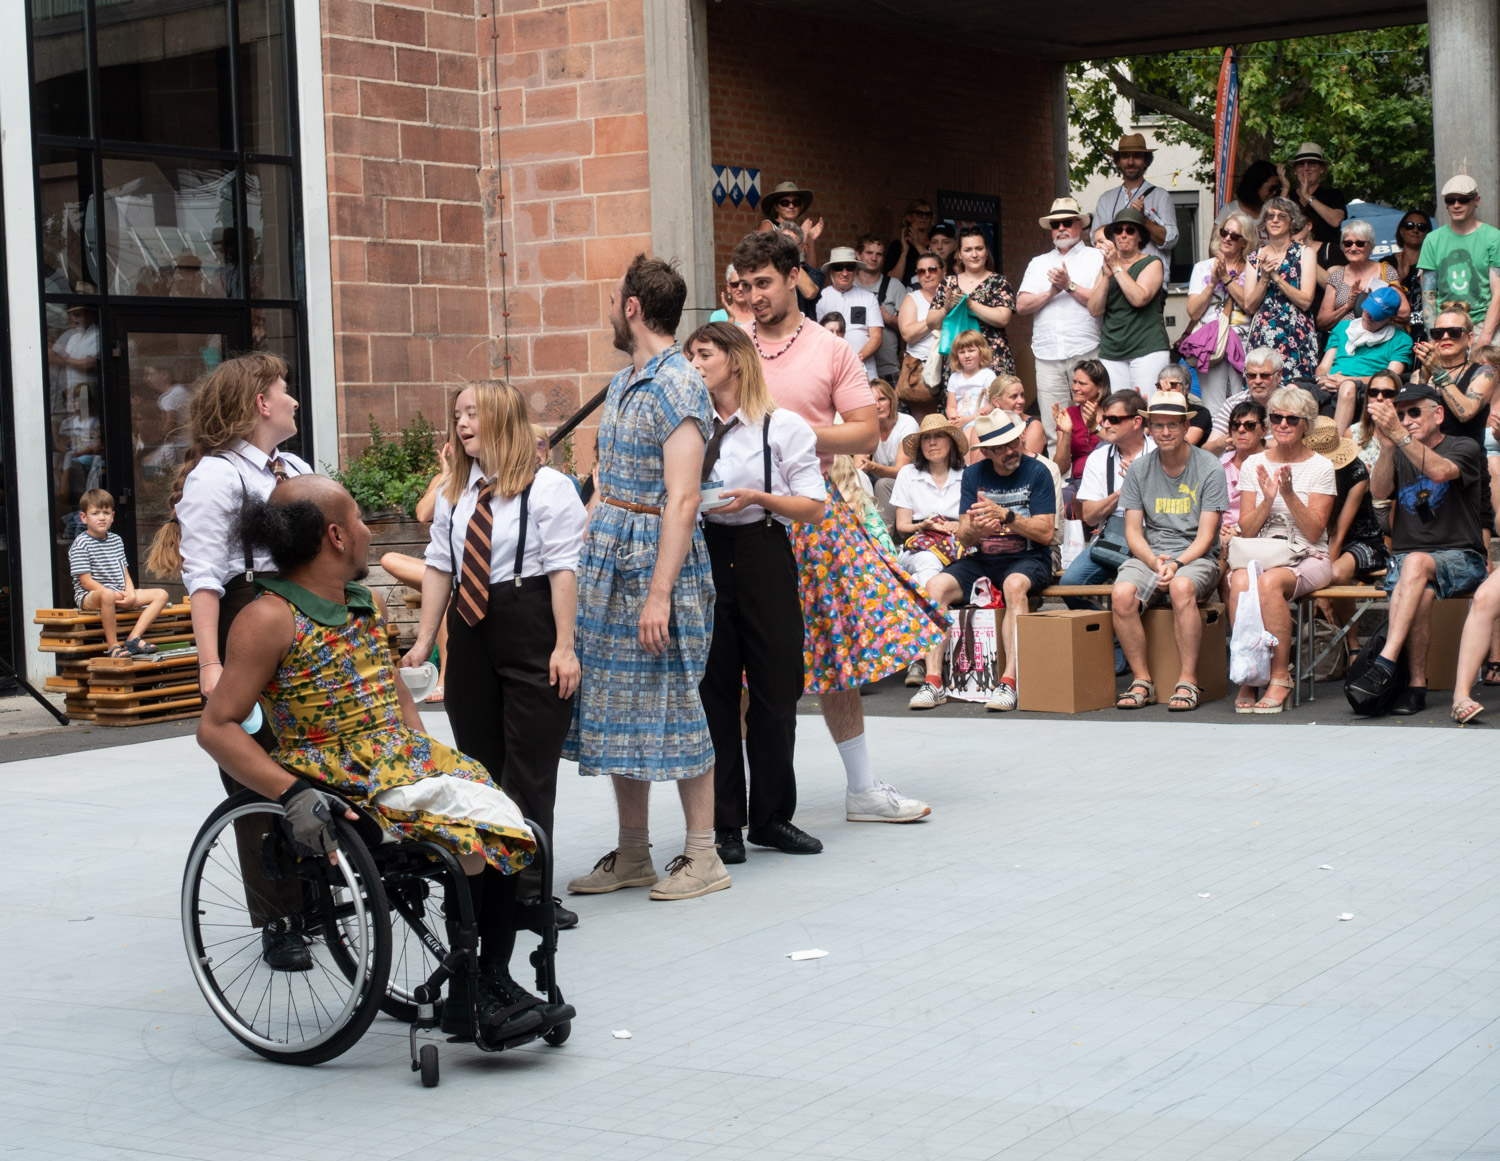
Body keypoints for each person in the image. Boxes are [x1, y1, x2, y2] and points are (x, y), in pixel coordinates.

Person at [197, 475, 570, 1044]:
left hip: (396, 758)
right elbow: (216, 726)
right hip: (337, 774)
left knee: (509, 823)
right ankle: (477, 989)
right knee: (478, 834)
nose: (368, 530)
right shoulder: (267, 618)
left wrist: (425, 753)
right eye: (359, 518)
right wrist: (290, 794)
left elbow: (392, 691)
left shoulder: (362, 603)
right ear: (336, 536)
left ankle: (487, 981)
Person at [731, 229, 943, 821]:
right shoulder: (732, 345)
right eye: (745, 285)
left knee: (834, 651)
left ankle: (862, 789)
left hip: (811, 511)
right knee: (742, 661)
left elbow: (865, 431)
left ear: (793, 277)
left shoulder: (830, 349)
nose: (754, 295)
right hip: (740, 515)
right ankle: (745, 801)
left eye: (764, 283)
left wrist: (792, 434)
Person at [563, 255, 725, 901]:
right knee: (612, 704)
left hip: (659, 561)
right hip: (609, 554)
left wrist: (659, 595)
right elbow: (606, 482)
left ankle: (704, 855)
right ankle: (634, 852)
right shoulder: (626, 381)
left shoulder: (679, 384)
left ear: (632, 308)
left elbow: (682, 499)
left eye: (612, 300)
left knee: (678, 702)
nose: (609, 310)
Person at [144, 351, 312, 969]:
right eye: (284, 389)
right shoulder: (217, 476)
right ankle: (279, 919)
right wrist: (210, 665)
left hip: (301, 616)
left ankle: (320, 893)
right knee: (252, 769)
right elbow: (204, 579)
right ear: (261, 404)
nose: (294, 398)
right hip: (247, 616)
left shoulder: (294, 467)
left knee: (310, 755)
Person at [400, 380, 586, 927]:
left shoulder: (549, 487)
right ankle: (486, 890)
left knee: (529, 769)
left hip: (531, 622)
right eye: (457, 414)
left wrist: (565, 646)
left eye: (473, 413)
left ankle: (528, 895)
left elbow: (563, 570)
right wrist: (423, 640)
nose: (461, 423)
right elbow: (440, 565)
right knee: (478, 765)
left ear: (502, 419)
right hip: (471, 627)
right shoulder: (456, 491)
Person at [685, 322, 827, 864]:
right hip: (707, 553)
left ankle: (771, 817)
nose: (695, 364)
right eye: (691, 355)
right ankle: (723, 823)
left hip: (764, 549)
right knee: (715, 692)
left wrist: (759, 497)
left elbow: (813, 507)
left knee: (776, 690)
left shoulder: (781, 426)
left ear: (737, 360)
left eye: (705, 354)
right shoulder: (690, 429)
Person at [1347, 383, 1487, 716]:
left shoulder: (1464, 446)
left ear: (1438, 414)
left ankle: (1384, 663)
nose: (1406, 420)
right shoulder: (1399, 450)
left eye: (1413, 412)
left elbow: (1439, 472)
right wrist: (1386, 448)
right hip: (1410, 563)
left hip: (1462, 557)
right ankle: (1416, 687)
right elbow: (1380, 491)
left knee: (1415, 563)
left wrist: (1400, 436)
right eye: (1400, 415)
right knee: (1419, 588)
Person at [908, 411, 1055, 712]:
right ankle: (934, 681)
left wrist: (1006, 516)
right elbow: (964, 537)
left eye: (1013, 443)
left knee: (1014, 585)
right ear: (986, 452)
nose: (1010, 451)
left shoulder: (1038, 472)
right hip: (983, 558)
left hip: (1029, 557)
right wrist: (976, 530)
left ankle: (1009, 682)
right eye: (1000, 448)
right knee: (934, 587)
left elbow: (1045, 533)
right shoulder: (973, 475)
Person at [1112, 390, 1230, 712]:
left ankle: (1188, 680)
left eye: (1172, 425)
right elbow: (1132, 532)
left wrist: (1176, 563)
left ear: (1185, 426)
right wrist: (1153, 560)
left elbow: (1207, 536)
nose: (1165, 432)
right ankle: (1142, 680)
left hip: (1195, 556)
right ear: (1148, 428)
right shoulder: (1139, 469)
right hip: (1153, 554)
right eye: (1158, 425)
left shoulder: (1209, 467)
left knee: (1180, 587)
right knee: (1121, 594)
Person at [1226, 387, 1336, 713]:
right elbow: (1247, 529)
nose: (1283, 424)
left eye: (1292, 419)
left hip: (1309, 555)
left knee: (1269, 582)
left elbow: (1315, 532)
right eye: (1276, 417)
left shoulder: (1321, 467)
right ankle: (1250, 670)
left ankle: (1279, 675)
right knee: (1240, 581)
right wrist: (1269, 499)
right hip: (1263, 552)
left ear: (1306, 424)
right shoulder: (1254, 463)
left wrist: (1288, 495)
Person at [1016, 197, 1103, 450]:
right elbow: (1021, 306)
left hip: (1085, 350)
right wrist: (1051, 292)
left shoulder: (1096, 257)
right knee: (1055, 426)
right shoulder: (1038, 262)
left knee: (1091, 422)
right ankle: (1061, 474)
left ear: (1080, 225)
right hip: (1047, 355)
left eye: (1067, 222)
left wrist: (1068, 285)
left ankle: (1089, 471)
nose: (1061, 228)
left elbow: (1100, 303)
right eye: (1056, 224)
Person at [1056, 390, 1154, 608]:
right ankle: (1108, 628)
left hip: (1152, 537)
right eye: (1105, 418)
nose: (1105, 424)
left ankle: (1125, 625)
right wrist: (1122, 492)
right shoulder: (1098, 458)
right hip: (1112, 538)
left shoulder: (1158, 454)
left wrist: (1142, 486)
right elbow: (1090, 517)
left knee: (1152, 591)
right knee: (1070, 585)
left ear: (1136, 422)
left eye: (1114, 419)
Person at [379, 445, 453, 702]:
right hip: (440, 566)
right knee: (388, 558)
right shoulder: (444, 479)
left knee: (445, 597)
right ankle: (442, 590)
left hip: (464, 569)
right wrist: (444, 476)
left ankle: (445, 678)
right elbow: (422, 513)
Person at [1308, 416, 1387, 656]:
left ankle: (1353, 645)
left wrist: (1320, 587)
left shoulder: (1356, 472)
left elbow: (1338, 533)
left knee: (1336, 573)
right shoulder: (1305, 468)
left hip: (1361, 539)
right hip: (1316, 540)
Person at [69, 487, 170, 657]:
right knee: (107, 594)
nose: (102, 517)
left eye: (106, 513)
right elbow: (86, 582)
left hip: (119, 593)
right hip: (91, 595)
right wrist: (113, 595)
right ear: (83, 517)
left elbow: (125, 573)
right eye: (95, 513)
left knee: (161, 594)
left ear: (113, 516)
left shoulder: (116, 540)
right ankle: (113, 646)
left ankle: (134, 638)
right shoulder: (81, 544)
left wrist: (130, 594)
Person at [1089, 207, 1169, 395]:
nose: (1123, 235)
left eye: (1130, 230)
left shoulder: (1152, 262)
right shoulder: (1106, 267)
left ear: (1140, 236)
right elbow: (1094, 309)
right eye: (1118, 230)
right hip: (1112, 351)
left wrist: (1117, 268)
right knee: (1117, 408)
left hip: (1147, 348)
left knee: (1146, 406)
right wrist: (1107, 276)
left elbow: (1139, 298)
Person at [1185, 209, 1257, 413]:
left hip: (1245, 343)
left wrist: (1226, 278)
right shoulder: (1202, 267)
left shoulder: (1253, 269)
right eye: (1225, 232)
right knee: (1213, 407)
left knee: (1245, 404)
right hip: (1211, 344)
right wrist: (1212, 283)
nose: (1227, 238)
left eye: (1234, 236)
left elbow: (1249, 305)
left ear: (1244, 242)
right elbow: (1193, 312)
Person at [1419, 174, 1500, 347]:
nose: (1456, 205)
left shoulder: (1494, 237)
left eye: (1463, 200)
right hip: (1445, 326)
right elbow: (1428, 295)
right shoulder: (1433, 240)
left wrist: (1486, 337)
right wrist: (1434, 335)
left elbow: (1498, 292)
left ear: (1476, 200)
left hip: (1484, 323)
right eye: (1451, 200)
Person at [1244, 199, 1320, 380]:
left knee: (1296, 389)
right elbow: (1249, 306)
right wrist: (1264, 278)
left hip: (1296, 335)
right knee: (1262, 385)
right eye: (1270, 216)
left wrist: (1276, 278)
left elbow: (1306, 301)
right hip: (1263, 336)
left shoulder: (1305, 253)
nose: (1275, 220)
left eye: (1282, 216)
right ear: (1264, 222)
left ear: (1292, 221)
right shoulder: (1255, 257)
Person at [892, 413, 967, 597]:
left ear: (950, 442)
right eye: (926, 438)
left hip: (958, 542)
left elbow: (975, 521)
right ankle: (933, 609)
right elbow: (902, 527)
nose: (932, 443)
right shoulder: (907, 474)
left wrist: (960, 525)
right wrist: (923, 526)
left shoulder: (966, 475)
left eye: (939, 436)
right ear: (921, 446)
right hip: (919, 544)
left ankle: (918, 596)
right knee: (928, 561)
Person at [929, 227, 1016, 375]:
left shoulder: (998, 281)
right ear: (960, 254)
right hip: (957, 361)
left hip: (992, 358)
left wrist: (970, 304)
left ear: (986, 251)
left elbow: (1003, 319)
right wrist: (946, 309)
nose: (974, 255)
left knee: (995, 391)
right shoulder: (948, 283)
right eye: (968, 250)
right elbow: (931, 323)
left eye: (979, 248)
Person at [1412, 307, 1498, 451]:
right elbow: (1412, 416)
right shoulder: (1419, 374)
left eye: (1454, 332)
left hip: (1464, 458)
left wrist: (1438, 371)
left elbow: (1465, 413)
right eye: (1438, 333)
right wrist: (1425, 376)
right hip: (1424, 454)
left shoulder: (1484, 371)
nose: (1445, 337)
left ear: (1470, 338)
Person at [1314, 286, 1414, 403]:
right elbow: (1324, 367)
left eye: (1376, 316)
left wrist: (1347, 381)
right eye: (1368, 309)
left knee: (1347, 390)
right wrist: (1322, 378)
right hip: (1327, 384)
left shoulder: (1401, 340)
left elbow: (1389, 380)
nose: (1369, 316)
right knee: (1296, 389)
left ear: (1390, 319)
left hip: (1363, 391)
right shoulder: (1342, 328)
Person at [1091, 133, 1178, 261]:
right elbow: (1096, 241)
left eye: (1137, 156)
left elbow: (1171, 240)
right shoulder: (1105, 199)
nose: (1130, 162)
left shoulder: (1161, 196)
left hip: (1151, 271)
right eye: (1125, 156)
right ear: (1118, 161)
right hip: (1116, 271)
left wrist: (1144, 219)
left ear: (1145, 161)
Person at [1317, 219, 1408, 334]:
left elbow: (1404, 313)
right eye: (1348, 243)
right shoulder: (1336, 277)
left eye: (1359, 243)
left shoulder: (1385, 271)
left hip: (1380, 340)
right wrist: (1348, 305)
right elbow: (1322, 322)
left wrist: (1373, 302)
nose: (1353, 248)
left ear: (1370, 246)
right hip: (1345, 340)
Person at [816, 247, 883, 377]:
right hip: (831, 370)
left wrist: (856, 360)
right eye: (839, 268)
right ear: (831, 271)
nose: (845, 273)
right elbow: (817, 337)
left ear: (856, 270)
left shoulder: (869, 298)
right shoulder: (820, 298)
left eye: (850, 267)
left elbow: (877, 338)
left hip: (865, 370)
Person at [1205, 347, 1284, 454]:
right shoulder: (1233, 403)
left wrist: (1258, 442)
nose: (1257, 381)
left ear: (1278, 376)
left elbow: (1301, 447)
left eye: (1264, 375)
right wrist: (1223, 442)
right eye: (1252, 375)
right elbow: (1206, 451)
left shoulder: (1293, 403)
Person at [863, 377, 917, 532]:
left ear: (892, 400)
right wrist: (864, 467)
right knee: (858, 478)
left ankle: (884, 534)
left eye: (882, 399)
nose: (878, 406)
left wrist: (873, 467)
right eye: (872, 401)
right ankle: (860, 531)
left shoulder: (907, 424)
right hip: (883, 479)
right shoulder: (868, 426)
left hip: (911, 482)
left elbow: (901, 471)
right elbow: (858, 467)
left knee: (883, 484)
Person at [1051, 358, 1109, 496]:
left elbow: (1118, 443)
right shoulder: (1068, 414)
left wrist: (1095, 427)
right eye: (1074, 382)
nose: (1075, 388)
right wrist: (1067, 433)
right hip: (1079, 482)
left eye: (1082, 383)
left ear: (1099, 386)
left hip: (1108, 479)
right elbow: (1060, 468)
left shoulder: (1112, 411)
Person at [1285, 143, 1348, 268]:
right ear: (1295, 171)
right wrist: (1285, 189)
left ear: (1322, 169)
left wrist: (1307, 196)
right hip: (1291, 258)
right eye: (1301, 164)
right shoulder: (1288, 196)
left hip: (1328, 258)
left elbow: (1336, 220)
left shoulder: (1333, 194)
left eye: (1312, 164)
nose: (1306, 168)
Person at [854, 234, 907, 382]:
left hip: (888, 369)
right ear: (858, 254)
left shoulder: (894, 286)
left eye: (879, 254)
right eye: (869, 253)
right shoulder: (848, 286)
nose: (874, 258)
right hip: (854, 367)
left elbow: (909, 329)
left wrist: (889, 319)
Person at [895, 253, 943, 414]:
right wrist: (938, 316)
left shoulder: (953, 297)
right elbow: (908, 334)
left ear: (943, 271)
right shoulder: (912, 298)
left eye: (932, 269)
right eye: (922, 271)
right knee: (924, 423)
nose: (927, 274)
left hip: (954, 367)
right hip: (920, 369)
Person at [1219, 400, 1267, 550]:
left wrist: (1236, 531)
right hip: (1220, 535)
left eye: (1249, 425)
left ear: (1264, 431)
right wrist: (1215, 527)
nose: (1241, 430)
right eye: (1235, 425)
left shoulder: (1271, 466)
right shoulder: (1219, 466)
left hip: (1259, 537)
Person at [1382, 209, 1434, 341]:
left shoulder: (1434, 262)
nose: (1415, 230)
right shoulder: (1387, 263)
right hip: (1394, 334)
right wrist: (1399, 280)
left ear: (1427, 233)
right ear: (1401, 230)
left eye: (1421, 227)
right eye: (1409, 225)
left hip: (1428, 332)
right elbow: (1381, 301)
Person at [759, 179, 823, 269]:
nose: (791, 206)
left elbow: (811, 270)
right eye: (785, 203)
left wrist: (810, 242)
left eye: (796, 202)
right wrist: (801, 238)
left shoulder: (801, 231)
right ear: (776, 207)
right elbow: (763, 258)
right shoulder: (768, 225)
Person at [944, 331, 996, 427]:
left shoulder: (988, 375)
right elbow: (951, 407)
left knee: (970, 431)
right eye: (962, 352)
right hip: (959, 422)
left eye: (971, 351)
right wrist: (954, 419)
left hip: (979, 420)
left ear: (981, 351)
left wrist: (966, 420)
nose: (967, 355)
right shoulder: (954, 378)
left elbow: (988, 407)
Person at [989, 375, 1047, 457]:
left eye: (1022, 395)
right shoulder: (984, 425)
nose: (1021, 401)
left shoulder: (1034, 425)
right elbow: (977, 463)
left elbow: (1028, 462)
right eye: (1014, 396)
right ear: (996, 401)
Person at [885, 198, 936, 287]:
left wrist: (917, 244)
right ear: (909, 217)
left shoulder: (935, 243)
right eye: (919, 214)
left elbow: (938, 267)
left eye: (928, 214)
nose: (924, 217)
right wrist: (904, 252)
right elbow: (892, 281)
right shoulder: (897, 246)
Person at [1226, 159, 1288, 224]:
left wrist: (1285, 188)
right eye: (1271, 188)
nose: (1274, 192)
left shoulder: (1268, 212)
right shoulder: (1230, 210)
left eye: (1276, 188)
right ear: (1256, 185)